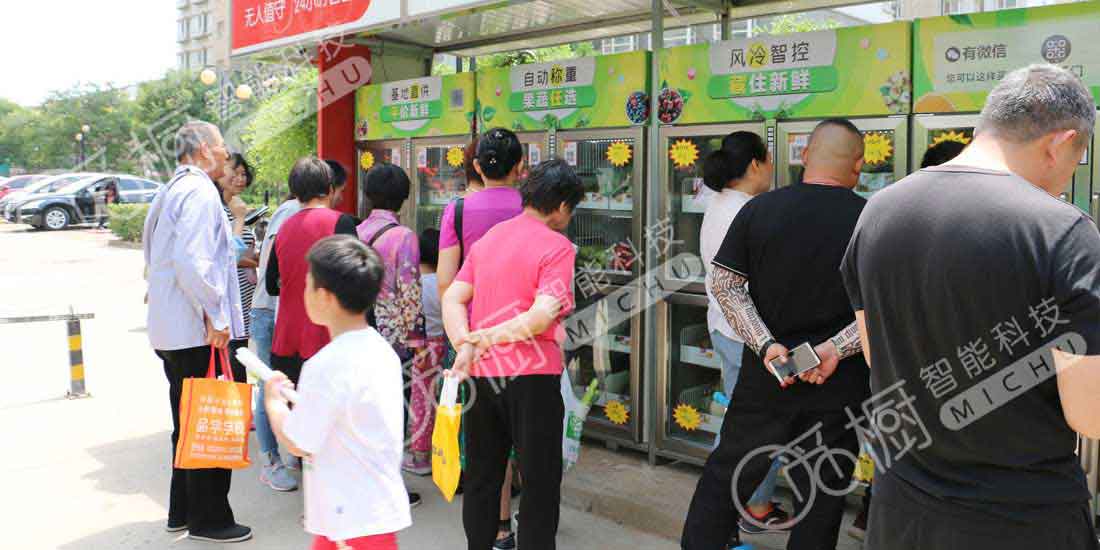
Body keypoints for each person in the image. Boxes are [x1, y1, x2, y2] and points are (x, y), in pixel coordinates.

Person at [842, 64, 1100, 550]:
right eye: (1075, 160)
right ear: (1060, 143)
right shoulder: (1063, 232)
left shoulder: (879, 209)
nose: (1067, 179)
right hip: (1017, 518)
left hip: (901, 508)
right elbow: (1091, 415)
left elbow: (878, 355)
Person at [681, 118, 871, 550]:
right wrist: (833, 348)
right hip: (836, 385)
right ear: (858, 164)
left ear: (805, 156)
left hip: (768, 377)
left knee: (729, 474)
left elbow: (726, 286)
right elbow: (884, 305)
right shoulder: (871, 219)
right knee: (821, 491)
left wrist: (766, 346)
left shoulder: (760, 209)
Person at [443, 158, 584, 550]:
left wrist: (466, 343)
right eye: (571, 209)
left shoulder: (490, 239)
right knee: (539, 481)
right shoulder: (557, 247)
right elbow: (540, 317)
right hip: (533, 379)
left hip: (483, 376)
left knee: (482, 477)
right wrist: (482, 338)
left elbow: (453, 297)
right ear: (561, 207)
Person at [844, 133, 969, 542]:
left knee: (897, 449)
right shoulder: (976, 226)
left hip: (898, 364)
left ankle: (872, 516)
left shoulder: (892, 221)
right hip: (948, 365)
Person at [264, 235, 412, 550]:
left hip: (350, 519)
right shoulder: (381, 350)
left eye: (307, 285)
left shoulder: (324, 365)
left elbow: (299, 441)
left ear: (325, 296)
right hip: (369, 511)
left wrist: (274, 402)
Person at [141, 120, 252, 543]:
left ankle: (183, 511)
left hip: (173, 330)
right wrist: (216, 316)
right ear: (204, 148)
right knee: (210, 419)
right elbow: (193, 263)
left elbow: (157, 255)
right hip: (197, 332)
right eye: (222, 146)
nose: (226, 154)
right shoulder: (200, 191)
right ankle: (210, 519)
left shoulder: (171, 188)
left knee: (187, 422)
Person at [437, 129, 527, 550]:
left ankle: (496, 528)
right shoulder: (532, 207)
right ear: (521, 166)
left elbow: (446, 282)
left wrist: (460, 338)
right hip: (527, 338)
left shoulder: (457, 210)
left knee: (485, 439)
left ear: (476, 166)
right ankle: (520, 522)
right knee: (527, 434)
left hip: (473, 340)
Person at [698, 131, 789, 536]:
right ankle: (746, 508)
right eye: (768, 160)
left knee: (742, 423)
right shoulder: (750, 211)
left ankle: (740, 506)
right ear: (756, 163)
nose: (771, 168)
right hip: (748, 336)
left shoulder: (718, 204)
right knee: (754, 427)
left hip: (725, 327)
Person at [266, 158, 358, 392]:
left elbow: (270, 285)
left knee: (292, 412)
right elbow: (355, 282)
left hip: (286, 340)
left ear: (295, 192)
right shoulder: (341, 223)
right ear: (330, 188)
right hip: (327, 341)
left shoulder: (284, 227)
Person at [251, 186, 303, 493]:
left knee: (287, 382)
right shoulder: (291, 212)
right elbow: (274, 271)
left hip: (278, 310)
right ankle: (270, 462)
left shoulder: (292, 212)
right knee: (269, 385)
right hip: (270, 310)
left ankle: (293, 451)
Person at [356, 163, 424, 358]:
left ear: (368, 194)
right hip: (392, 335)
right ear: (403, 197)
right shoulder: (404, 236)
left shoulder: (356, 231)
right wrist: (417, 342)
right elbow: (410, 294)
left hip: (358, 327)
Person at [405, 228, 444, 476]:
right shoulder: (445, 283)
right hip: (444, 345)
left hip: (422, 349)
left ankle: (421, 456)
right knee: (444, 400)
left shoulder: (415, 284)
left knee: (422, 402)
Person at [217, 153, 258, 381]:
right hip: (229, 300)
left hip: (244, 296)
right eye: (236, 173)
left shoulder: (235, 206)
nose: (241, 179)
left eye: (244, 174)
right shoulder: (220, 210)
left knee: (239, 356)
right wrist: (240, 218)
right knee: (234, 361)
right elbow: (229, 256)